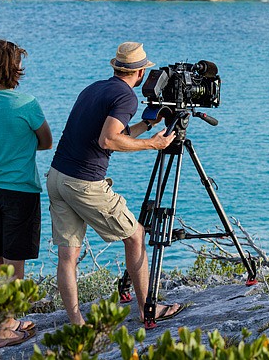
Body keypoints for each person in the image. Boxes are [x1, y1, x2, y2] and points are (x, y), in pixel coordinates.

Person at [47, 42, 183, 325]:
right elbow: (108, 140)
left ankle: (76, 324)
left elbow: (112, 132)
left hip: (58, 177)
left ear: (116, 67)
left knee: (68, 255)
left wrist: (147, 127)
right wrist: (152, 144)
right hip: (84, 183)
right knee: (135, 235)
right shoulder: (126, 97)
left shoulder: (95, 88)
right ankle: (149, 309)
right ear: (142, 73)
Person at [0, 39, 52, 348]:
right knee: (15, 262)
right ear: (15, 69)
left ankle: (4, 320)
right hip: (18, 190)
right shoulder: (26, 103)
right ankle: (5, 330)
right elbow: (45, 141)